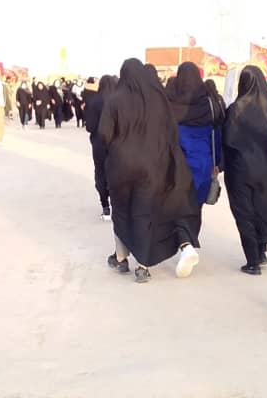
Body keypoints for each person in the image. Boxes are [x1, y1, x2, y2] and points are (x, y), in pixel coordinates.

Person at [98, 58, 200, 283]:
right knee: (143, 213)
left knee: (121, 211)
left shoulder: (114, 100)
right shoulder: (157, 100)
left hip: (120, 166)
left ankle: (121, 258)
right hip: (150, 166)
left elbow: (104, 134)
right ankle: (143, 266)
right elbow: (169, 132)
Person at [223, 65, 267, 274]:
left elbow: (227, 140)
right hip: (266, 170)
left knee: (244, 213)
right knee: (262, 209)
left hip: (240, 170)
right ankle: (262, 251)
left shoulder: (235, 109)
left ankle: (252, 261)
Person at [167, 61, 224, 263]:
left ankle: (186, 245)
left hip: (178, 163)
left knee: (178, 204)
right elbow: (217, 134)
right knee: (196, 205)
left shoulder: (170, 102)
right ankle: (190, 241)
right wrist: (218, 163)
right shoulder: (208, 103)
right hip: (203, 163)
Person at [83, 75, 116, 220]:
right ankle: (117, 205)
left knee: (101, 172)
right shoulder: (117, 101)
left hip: (99, 143)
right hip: (116, 144)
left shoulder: (94, 101)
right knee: (116, 173)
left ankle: (105, 206)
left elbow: (89, 126)